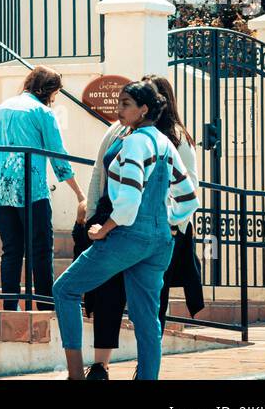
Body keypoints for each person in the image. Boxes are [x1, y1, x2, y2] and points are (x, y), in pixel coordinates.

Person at [52, 80, 199, 381]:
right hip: (160, 242)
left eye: (126, 104)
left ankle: (76, 374)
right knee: (147, 320)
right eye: (119, 102)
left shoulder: (133, 142)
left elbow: (129, 202)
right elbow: (189, 198)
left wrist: (103, 229)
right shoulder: (164, 142)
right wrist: (168, 222)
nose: (119, 109)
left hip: (128, 237)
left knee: (64, 289)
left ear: (143, 109)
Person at [0, 67, 86, 310]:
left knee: (11, 249)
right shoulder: (43, 113)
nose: (53, 99)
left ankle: (9, 306)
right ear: (47, 90)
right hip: (29, 188)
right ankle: (44, 306)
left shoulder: (4, 107)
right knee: (40, 248)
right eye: (55, 94)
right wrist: (79, 193)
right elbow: (57, 155)